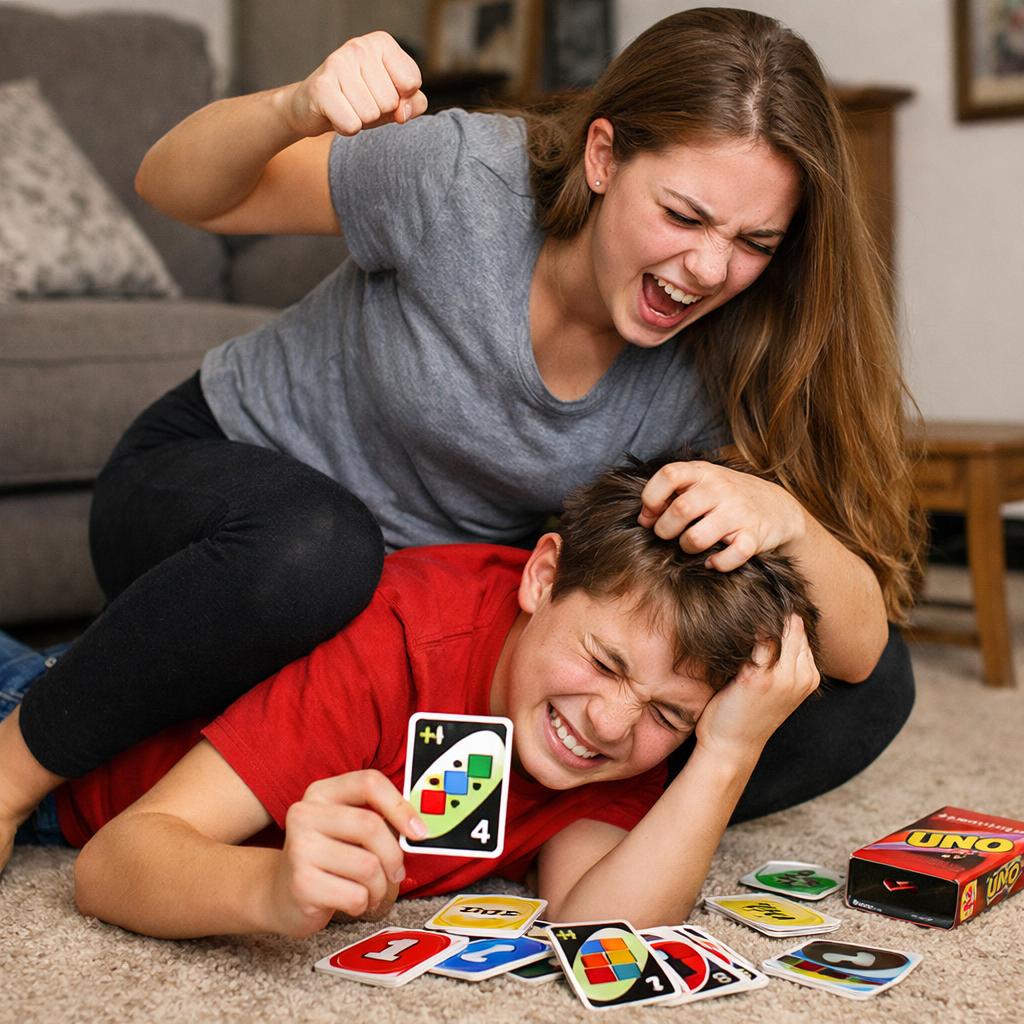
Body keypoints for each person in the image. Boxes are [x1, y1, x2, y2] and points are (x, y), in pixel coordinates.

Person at [0, 8, 921, 871]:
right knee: (319, 551)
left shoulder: (731, 347)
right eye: (683, 216)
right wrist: (292, 107)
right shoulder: (464, 181)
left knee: (863, 691)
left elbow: (858, 650)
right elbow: (178, 189)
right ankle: (15, 770)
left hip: (421, 610)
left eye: (754, 241)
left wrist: (786, 518)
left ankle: (539, 814)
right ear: (603, 156)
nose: (710, 269)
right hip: (226, 522)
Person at [9, 456, 820, 937]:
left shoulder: (631, 721)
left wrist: (725, 752)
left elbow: (596, 929)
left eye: (670, 715)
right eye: (604, 664)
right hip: (48, 741)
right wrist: (266, 891)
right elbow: (115, 863)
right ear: (542, 577)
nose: (609, 721)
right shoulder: (397, 640)